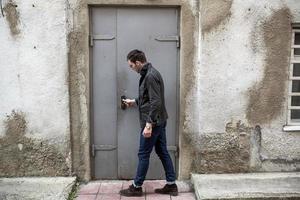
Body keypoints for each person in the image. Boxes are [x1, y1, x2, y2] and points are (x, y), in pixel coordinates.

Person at [119, 49, 178, 197]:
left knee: (143, 153)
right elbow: (148, 98)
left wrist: (149, 124)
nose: (131, 69)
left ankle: (136, 187)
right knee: (162, 151)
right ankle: (171, 185)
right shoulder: (149, 73)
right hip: (160, 120)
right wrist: (134, 102)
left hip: (154, 122)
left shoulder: (150, 76)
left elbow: (155, 102)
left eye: (131, 66)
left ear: (138, 62)